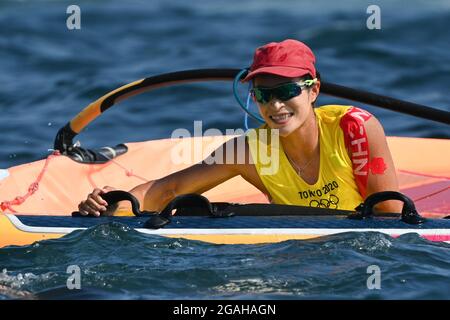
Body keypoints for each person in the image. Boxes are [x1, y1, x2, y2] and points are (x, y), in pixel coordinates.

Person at [78, 39, 401, 216]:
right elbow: (168, 192)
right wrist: (111, 204)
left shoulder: (354, 128)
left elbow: (390, 217)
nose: (275, 106)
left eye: (287, 92)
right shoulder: (248, 151)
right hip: (294, 260)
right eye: (263, 95)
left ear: (313, 90)